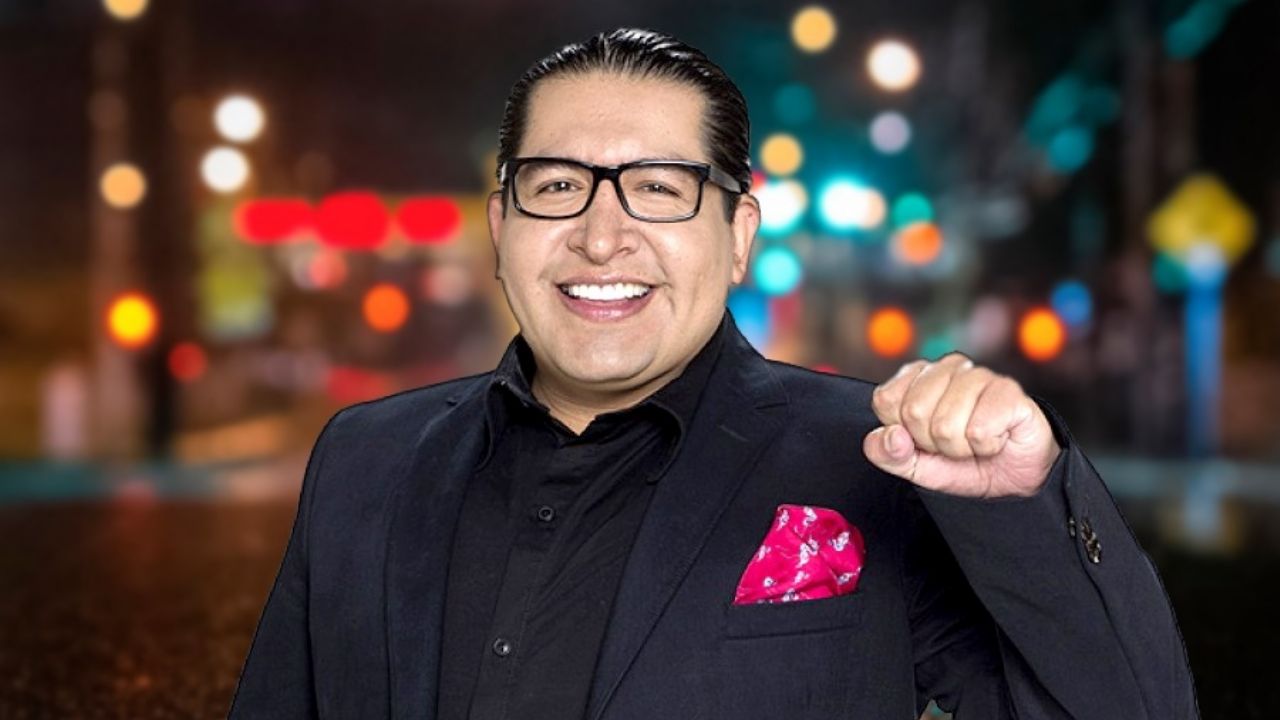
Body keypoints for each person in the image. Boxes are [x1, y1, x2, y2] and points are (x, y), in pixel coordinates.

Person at [229, 28, 1198, 720]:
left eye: (658, 189)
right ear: (500, 226)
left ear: (737, 237)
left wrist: (1024, 505)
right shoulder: (363, 461)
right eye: (556, 186)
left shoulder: (873, 458)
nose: (601, 236)